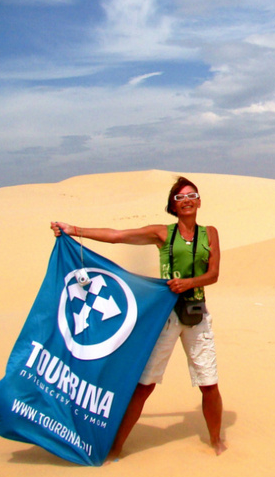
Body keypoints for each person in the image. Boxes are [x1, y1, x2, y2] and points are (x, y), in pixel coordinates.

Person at [50, 176, 226, 459]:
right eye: (180, 198)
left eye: (192, 195)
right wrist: (74, 230)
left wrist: (189, 283)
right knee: (144, 386)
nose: (187, 201)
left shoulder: (210, 233)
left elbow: (213, 274)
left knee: (209, 383)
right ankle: (116, 447)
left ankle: (217, 441)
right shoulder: (161, 234)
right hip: (165, 317)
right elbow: (119, 235)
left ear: (200, 201)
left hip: (197, 315)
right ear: (173, 206)